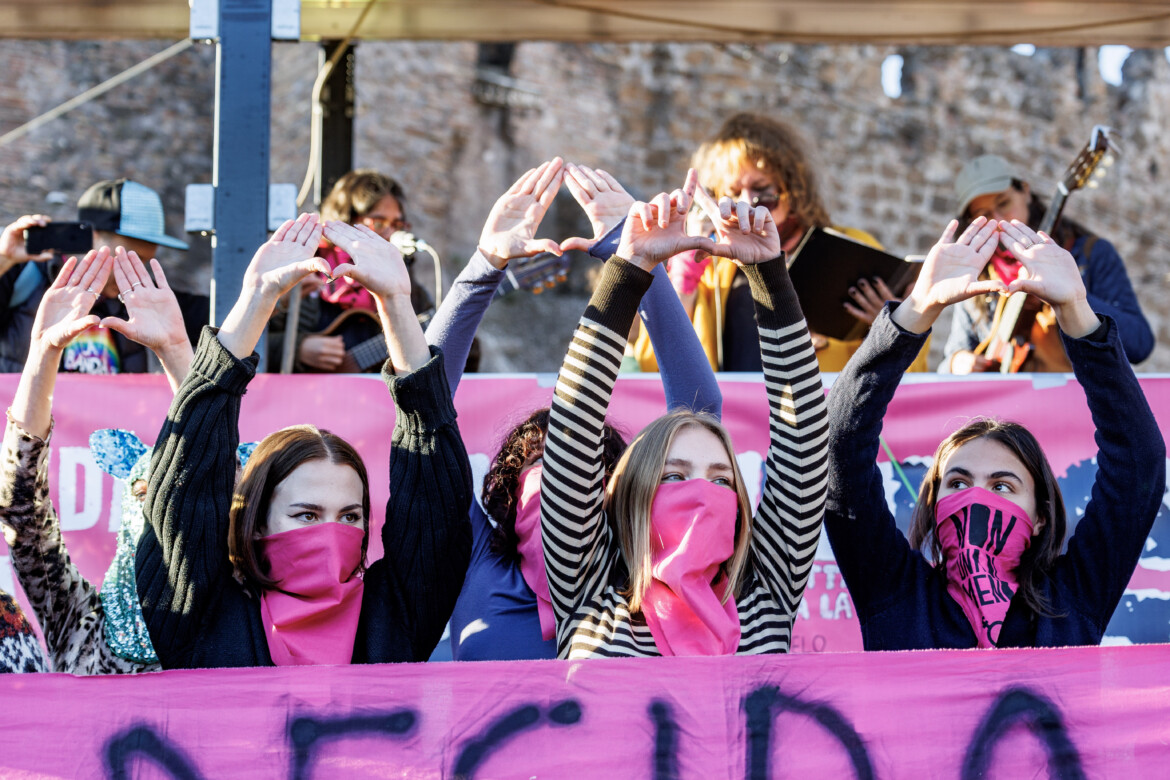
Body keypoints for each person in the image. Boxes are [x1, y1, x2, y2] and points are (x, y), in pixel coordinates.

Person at [135, 213, 472, 668]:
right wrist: (256, 299)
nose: (331, 533)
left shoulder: (397, 616)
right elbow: (186, 489)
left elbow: (436, 501)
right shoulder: (198, 616)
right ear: (256, 520)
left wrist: (395, 302)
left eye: (350, 515)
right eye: (307, 514)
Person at [825, 217, 1165, 649]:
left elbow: (1139, 462)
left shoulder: (1073, 600)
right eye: (958, 482)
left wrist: (1077, 313)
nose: (976, 498)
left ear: (1040, 516)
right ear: (932, 505)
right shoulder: (894, 592)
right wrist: (916, 311)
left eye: (1002, 485)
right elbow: (838, 446)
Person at [431, 159, 722, 660]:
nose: (564, 477)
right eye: (544, 464)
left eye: (584, 466)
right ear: (506, 486)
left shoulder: (632, 573)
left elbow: (698, 416)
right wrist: (484, 267)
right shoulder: (476, 555)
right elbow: (424, 408)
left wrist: (639, 261)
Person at [540, 170, 829, 658]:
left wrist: (768, 274)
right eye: (675, 477)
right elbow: (573, 428)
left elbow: (804, 437)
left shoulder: (766, 599)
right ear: (634, 492)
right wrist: (628, 268)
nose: (702, 493)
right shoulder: (589, 590)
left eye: (721, 480)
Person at [0, 246, 195, 673]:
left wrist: (178, 351)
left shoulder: (230, 622)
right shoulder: (78, 621)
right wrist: (42, 355)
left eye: (178, 498)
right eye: (147, 493)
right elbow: (21, 514)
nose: (160, 512)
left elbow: (224, 474)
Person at [630, 112, 926, 373]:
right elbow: (651, 365)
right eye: (732, 194)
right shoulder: (711, 268)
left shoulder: (849, 247)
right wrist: (685, 270)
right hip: (734, 425)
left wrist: (890, 328)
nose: (747, 205)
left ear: (794, 190)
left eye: (762, 192)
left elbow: (911, 377)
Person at [942, 154, 1153, 372]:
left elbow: (1140, 345)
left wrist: (1074, 297)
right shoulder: (978, 274)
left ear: (1025, 191)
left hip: (1080, 400)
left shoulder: (1091, 254)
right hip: (1005, 405)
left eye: (1003, 204)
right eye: (984, 215)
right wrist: (956, 362)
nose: (998, 220)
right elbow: (950, 359)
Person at [0, 179, 205, 374]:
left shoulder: (142, 295)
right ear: (93, 235)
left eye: (143, 262)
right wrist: (4, 259)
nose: (137, 273)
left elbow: (218, 316)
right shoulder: (24, 275)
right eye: (130, 258)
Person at [269, 170, 438, 373]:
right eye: (378, 223)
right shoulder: (304, 266)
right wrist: (299, 348)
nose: (391, 233)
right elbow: (246, 341)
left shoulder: (403, 279)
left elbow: (446, 346)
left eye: (397, 224)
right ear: (346, 220)